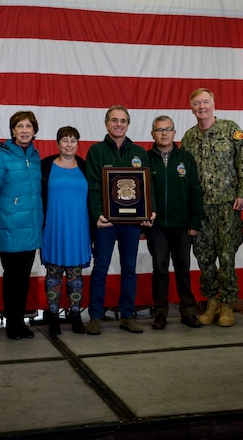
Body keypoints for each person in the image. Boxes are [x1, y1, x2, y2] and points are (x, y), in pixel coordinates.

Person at [181, 88, 243, 327]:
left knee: (226, 257)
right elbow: (183, 175)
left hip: (226, 206)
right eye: (196, 103)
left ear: (213, 103)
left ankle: (227, 305)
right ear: (191, 108)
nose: (201, 107)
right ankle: (211, 302)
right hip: (199, 209)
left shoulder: (230, 129)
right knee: (203, 258)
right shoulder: (189, 137)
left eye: (205, 102)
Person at [85, 105, 156, 336]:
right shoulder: (96, 151)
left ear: (128, 124)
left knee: (129, 269)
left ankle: (127, 315)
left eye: (123, 120)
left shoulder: (139, 153)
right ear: (107, 124)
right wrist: (97, 214)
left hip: (132, 223)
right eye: (114, 120)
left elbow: (148, 187)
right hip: (106, 222)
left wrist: (150, 211)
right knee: (101, 268)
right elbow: (94, 186)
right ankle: (95, 315)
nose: (118, 124)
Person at [0, 110, 43, 340]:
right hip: (8, 227)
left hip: (30, 228)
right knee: (12, 278)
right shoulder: (0, 155)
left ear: (34, 130)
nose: (24, 130)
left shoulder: (36, 156)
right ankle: (12, 324)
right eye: (20, 126)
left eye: (28, 126)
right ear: (12, 131)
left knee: (24, 277)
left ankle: (19, 322)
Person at [146, 116, 204, 330]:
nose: (164, 133)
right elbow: (142, 192)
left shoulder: (185, 158)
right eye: (159, 130)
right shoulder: (145, 159)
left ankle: (189, 311)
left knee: (183, 269)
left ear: (174, 132)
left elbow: (195, 191)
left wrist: (194, 222)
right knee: (160, 269)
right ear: (153, 134)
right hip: (157, 226)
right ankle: (160, 313)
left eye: (168, 129)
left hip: (182, 225)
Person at [40, 126, 91, 336]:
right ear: (57, 143)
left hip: (78, 228)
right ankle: (53, 317)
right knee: (53, 274)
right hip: (54, 227)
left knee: (75, 275)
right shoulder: (45, 166)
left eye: (73, 140)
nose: (69, 144)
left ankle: (76, 315)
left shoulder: (86, 167)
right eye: (64, 140)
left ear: (78, 143)